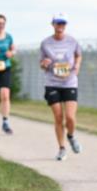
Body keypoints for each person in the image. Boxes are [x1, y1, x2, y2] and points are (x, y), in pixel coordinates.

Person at [39, 13, 82, 160]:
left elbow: (78, 55)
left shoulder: (72, 41)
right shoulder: (45, 43)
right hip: (52, 83)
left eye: (63, 23)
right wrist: (44, 64)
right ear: (53, 24)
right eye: (58, 23)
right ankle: (62, 148)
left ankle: (71, 136)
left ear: (66, 25)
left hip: (69, 82)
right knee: (58, 117)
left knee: (70, 117)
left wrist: (77, 66)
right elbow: (42, 64)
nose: (60, 26)